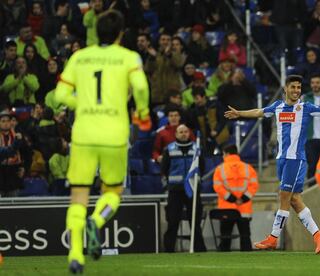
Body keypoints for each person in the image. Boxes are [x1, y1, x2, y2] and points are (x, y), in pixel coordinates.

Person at [224, 74, 320, 253]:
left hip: (296, 159)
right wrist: (239, 113)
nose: (296, 91)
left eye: (299, 88)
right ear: (285, 88)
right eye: (293, 87)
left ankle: (273, 237)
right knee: (293, 200)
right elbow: (259, 112)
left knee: (284, 196)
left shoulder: (305, 108)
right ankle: (317, 234)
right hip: (281, 159)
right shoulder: (277, 106)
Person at [54, 10, 150, 273]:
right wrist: (142, 113)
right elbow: (140, 87)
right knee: (113, 192)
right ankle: (96, 222)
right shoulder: (128, 57)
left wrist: (82, 104)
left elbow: (60, 94)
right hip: (114, 135)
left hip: (84, 134)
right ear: (121, 33)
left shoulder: (79, 57)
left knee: (78, 196)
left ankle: (75, 254)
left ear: (95, 31)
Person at [161, 124, 207, 253]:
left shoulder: (197, 148)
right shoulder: (169, 149)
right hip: (175, 190)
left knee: (195, 221)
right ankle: (169, 250)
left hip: (193, 189)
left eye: (186, 131)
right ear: (175, 134)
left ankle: (199, 249)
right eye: (180, 132)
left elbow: (202, 167)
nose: (183, 134)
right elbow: (164, 169)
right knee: (173, 220)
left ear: (189, 133)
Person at [213, 144, 259, 251]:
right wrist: (243, 198)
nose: (222, 157)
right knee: (245, 237)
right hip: (244, 207)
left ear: (227, 154)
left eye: (223, 154)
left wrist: (231, 199)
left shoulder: (220, 169)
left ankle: (224, 263)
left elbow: (218, 187)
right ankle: (248, 262)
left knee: (225, 237)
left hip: (226, 207)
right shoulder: (248, 168)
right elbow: (254, 185)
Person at [0, 110, 25, 197]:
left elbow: (26, 153)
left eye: (8, 121)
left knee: (13, 206)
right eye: (3, 121)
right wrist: (16, 144)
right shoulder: (17, 139)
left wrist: (23, 167)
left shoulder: (18, 136)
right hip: (1, 175)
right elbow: (5, 152)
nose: (6, 123)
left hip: (13, 175)